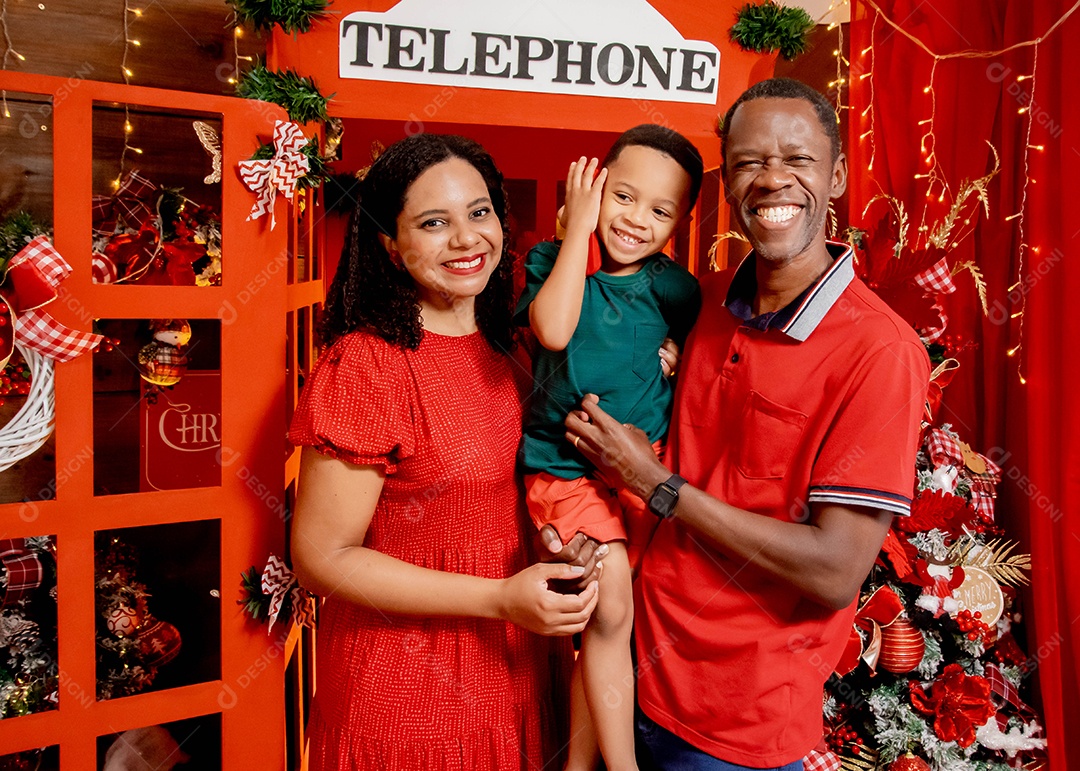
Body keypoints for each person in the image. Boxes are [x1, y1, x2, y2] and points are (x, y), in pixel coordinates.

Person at [562, 78, 931, 770]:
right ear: (727, 182)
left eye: (798, 159)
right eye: (748, 163)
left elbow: (832, 569)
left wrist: (656, 484)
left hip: (737, 728)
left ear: (838, 175)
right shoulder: (698, 304)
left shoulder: (881, 352)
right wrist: (591, 525)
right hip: (629, 675)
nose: (773, 179)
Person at [288, 133, 600, 771]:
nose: (466, 239)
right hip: (409, 697)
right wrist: (498, 598)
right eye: (434, 223)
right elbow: (321, 561)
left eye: (479, 212)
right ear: (390, 246)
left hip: (516, 675)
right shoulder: (368, 364)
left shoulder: (512, 351)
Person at [517, 125, 703, 771]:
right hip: (565, 468)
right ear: (595, 189)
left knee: (608, 622)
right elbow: (554, 325)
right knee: (613, 598)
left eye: (660, 210)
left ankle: (579, 765)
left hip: (642, 467)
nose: (636, 219)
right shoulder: (553, 259)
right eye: (622, 196)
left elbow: (707, 366)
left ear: (681, 220)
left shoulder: (675, 289)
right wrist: (577, 232)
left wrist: (679, 358)